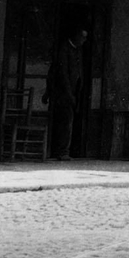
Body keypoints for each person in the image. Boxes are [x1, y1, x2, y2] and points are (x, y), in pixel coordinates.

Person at [46, 28, 88, 160]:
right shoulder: (64, 49)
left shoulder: (77, 50)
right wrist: (69, 94)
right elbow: (62, 73)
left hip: (74, 92)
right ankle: (62, 151)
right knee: (65, 122)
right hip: (64, 93)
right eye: (82, 37)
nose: (84, 40)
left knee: (69, 121)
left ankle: (65, 150)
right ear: (76, 36)